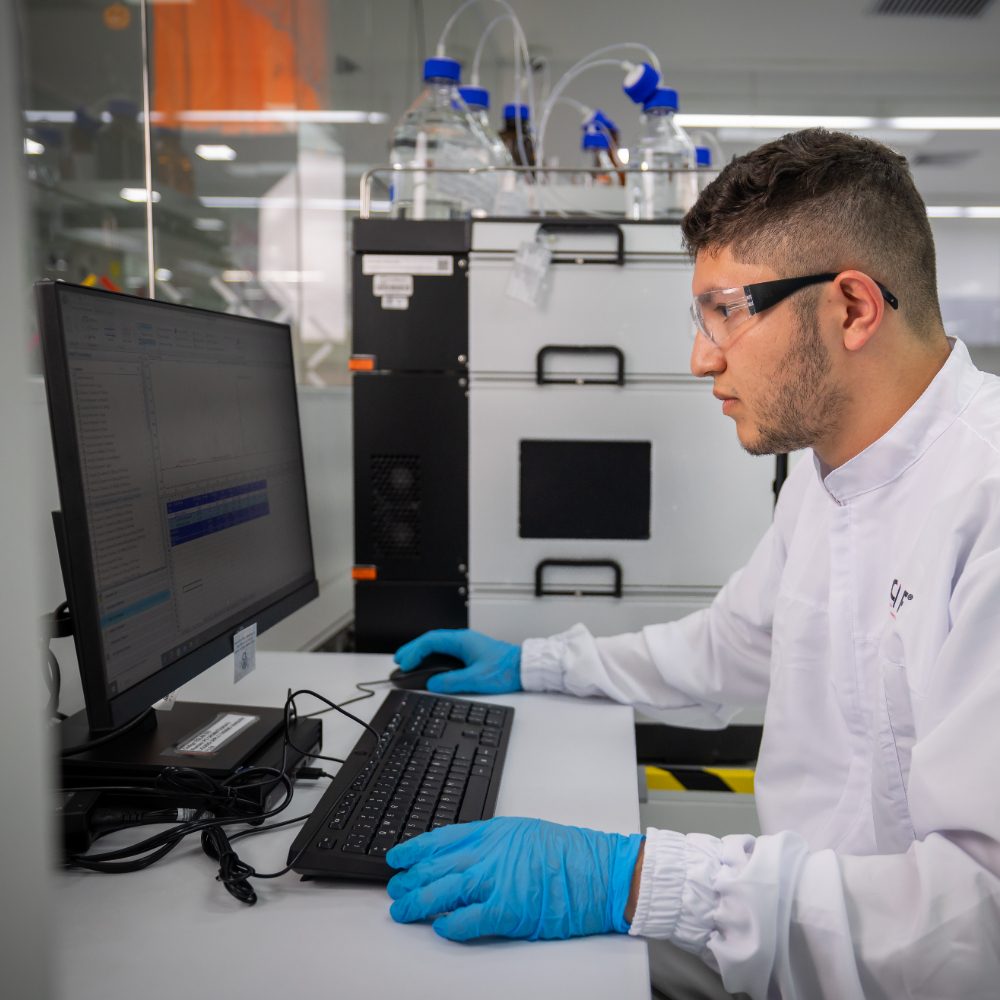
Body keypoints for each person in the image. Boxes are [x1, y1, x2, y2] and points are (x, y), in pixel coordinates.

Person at [383, 128, 1000, 999]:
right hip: (793, 939)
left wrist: (635, 881)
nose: (701, 356)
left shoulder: (985, 504)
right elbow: (729, 645)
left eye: (728, 310)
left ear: (854, 308)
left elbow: (977, 918)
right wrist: (537, 663)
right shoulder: (827, 478)